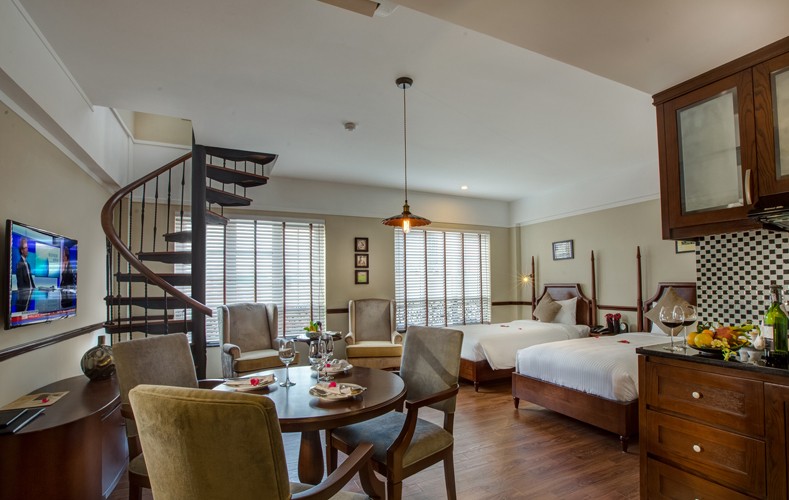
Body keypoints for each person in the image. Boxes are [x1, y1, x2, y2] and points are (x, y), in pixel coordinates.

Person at [15, 237, 35, 311]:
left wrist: (35, 290)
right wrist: (26, 294)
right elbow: (20, 284)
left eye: (27, 247)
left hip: (30, 296)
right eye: (26, 248)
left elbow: (31, 281)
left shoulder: (28, 264)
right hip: (23, 299)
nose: (27, 249)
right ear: (22, 250)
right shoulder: (19, 264)